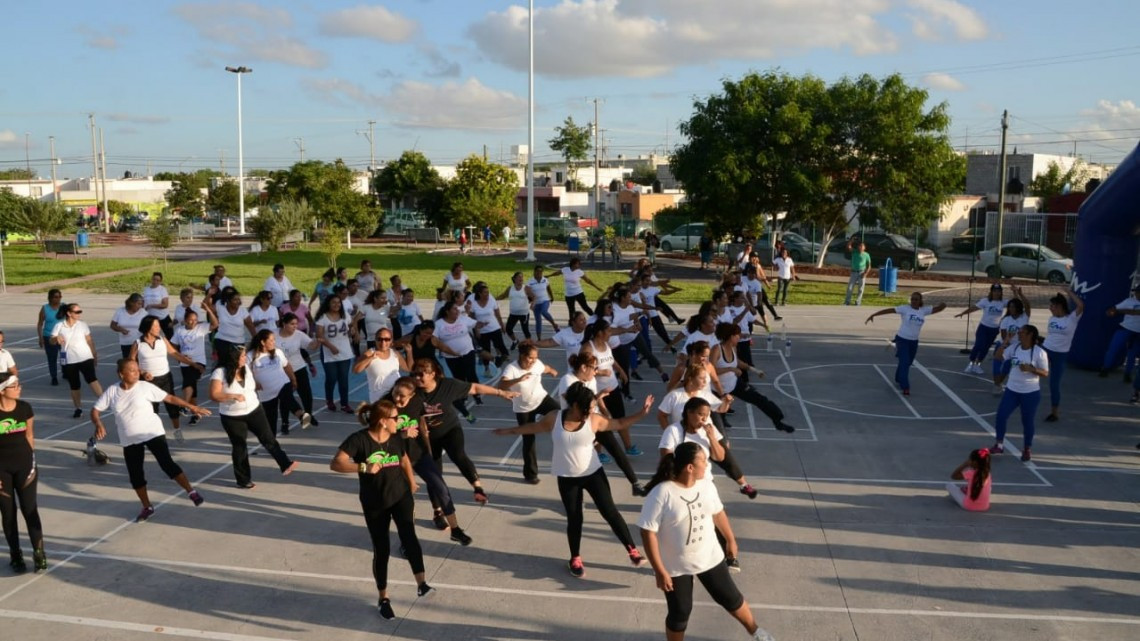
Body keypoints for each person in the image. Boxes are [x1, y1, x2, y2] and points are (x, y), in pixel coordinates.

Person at [493, 383, 653, 578]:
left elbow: (619, 424)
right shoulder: (554, 418)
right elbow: (532, 427)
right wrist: (508, 431)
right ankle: (575, 558)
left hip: (593, 474)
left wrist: (642, 413)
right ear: (575, 405)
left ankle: (632, 551)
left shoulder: (594, 420)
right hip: (568, 478)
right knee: (575, 518)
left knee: (610, 512)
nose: (589, 412)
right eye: (586, 408)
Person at [637, 442, 776, 641]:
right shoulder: (662, 493)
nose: (707, 463)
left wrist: (730, 539)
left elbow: (718, 512)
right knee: (680, 612)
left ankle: (756, 632)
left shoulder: (706, 485)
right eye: (703, 460)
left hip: (709, 556)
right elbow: (647, 532)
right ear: (690, 467)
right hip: (676, 566)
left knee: (731, 599)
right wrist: (660, 571)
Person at [330, 399, 435, 619]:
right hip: (374, 502)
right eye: (395, 418)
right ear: (382, 421)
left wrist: (411, 481)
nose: (399, 421)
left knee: (410, 537)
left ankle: (422, 583)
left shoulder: (396, 438)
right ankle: (383, 598)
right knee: (382, 549)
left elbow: (404, 459)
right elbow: (336, 463)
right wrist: (362, 466)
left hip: (401, 496)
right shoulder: (359, 440)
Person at [92, 360, 211, 522]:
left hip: (152, 433)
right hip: (129, 440)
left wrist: (192, 407)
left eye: (137, 369)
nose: (137, 372)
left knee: (167, 464)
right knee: (136, 476)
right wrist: (98, 423)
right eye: (132, 370)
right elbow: (95, 411)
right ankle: (147, 507)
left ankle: (191, 492)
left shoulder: (145, 387)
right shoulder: (112, 391)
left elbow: (169, 397)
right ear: (121, 374)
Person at [410, 358, 516, 504]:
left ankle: (478, 488)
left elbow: (475, 388)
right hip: (427, 437)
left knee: (459, 456)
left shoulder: (448, 385)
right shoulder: (411, 389)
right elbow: (394, 399)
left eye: (421, 375)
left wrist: (500, 393)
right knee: (434, 474)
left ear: (432, 374)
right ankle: (438, 511)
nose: (416, 378)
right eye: (414, 374)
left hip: (450, 430)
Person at [388, 377, 471, 540]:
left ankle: (455, 529)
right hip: (395, 457)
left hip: (418, 453)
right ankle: (406, 542)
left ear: (412, 396)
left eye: (402, 396)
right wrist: (401, 434)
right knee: (404, 501)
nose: (397, 398)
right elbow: (377, 435)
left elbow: (437, 412)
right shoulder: (385, 405)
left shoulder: (418, 402)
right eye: (395, 393)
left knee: (440, 487)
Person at [209, 346, 298, 488]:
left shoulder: (246, 369)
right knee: (240, 446)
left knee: (268, 438)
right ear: (233, 358)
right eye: (242, 356)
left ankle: (285, 463)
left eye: (245, 355)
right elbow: (214, 394)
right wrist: (232, 396)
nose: (245, 358)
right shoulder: (220, 373)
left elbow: (251, 384)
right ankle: (243, 480)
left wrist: (261, 385)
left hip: (254, 410)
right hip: (232, 416)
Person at [711, 323, 795, 433]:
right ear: (730, 336)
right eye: (737, 335)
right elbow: (710, 370)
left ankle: (778, 421)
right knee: (718, 421)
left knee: (759, 399)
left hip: (734, 384)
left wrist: (754, 370)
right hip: (718, 389)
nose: (739, 337)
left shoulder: (733, 348)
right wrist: (730, 369)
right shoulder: (717, 349)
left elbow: (737, 362)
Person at [0, 373, 46, 573]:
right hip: (2, 470)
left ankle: (39, 553)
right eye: (14, 386)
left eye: (19, 384)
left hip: (25, 466)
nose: (19, 388)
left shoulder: (25, 408)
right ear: (2, 391)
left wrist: (32, 460)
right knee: (8, 514)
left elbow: (29, 434)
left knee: (30, 509)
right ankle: (15, 554)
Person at [498, 342, 560, 484]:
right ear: (522, 356)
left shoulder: (537, 364)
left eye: (535, 357)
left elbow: (545, 368)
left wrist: (552, 371)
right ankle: (531, 474)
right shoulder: (511, 368)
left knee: (562, 415)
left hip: (541, 399)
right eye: (530, 358)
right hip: (523, 408)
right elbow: (501, 385)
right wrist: (518, 379)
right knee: (528, 440)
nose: (533, 361)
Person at [130, 316, 197, 443]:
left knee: (172, 406)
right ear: (148, 327)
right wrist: (142, 372)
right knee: (152, 410)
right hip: (149, 381)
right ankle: (152, 435)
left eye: (158, 325)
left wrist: (192, 363)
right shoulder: (138, 343)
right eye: (155, 326)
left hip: (165, 378)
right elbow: (131, 361)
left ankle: (177, 430)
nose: (158, 328)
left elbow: (174, 353)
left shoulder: (162, 339)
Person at [865, 292, 947, 396]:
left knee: (908, 363)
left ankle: (899, 377)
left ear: (920, 301)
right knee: (904, 361)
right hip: (902, 340)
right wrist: (874, 314)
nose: (913, 301)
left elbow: (940, 308)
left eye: (916, 299)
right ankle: (905, 387)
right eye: (912, 299)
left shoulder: (923, 310)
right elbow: (890, 310)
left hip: (914, 342)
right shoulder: (905, 308)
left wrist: (943, 304)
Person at [990, 325, 1049, 461]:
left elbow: (1045, 372)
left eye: (1022, 332)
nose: (1019, 334)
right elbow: (998, 357)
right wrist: (1005, 342)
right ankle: (999, 445)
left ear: (1030, 335)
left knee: (1027, 421)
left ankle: (1027, 448)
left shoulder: (1039, 352)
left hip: (1030, 392)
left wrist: (1031, 369)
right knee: (1001, 415)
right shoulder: (1015, 347)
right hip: (1012, 390)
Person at [248, 330, 313, 436]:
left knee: (287, 397)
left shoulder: (277, 352)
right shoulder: (251, 355)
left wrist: (293, 379)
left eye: (274, 340)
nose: (274, 342)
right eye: (271, 340)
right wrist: (254, 382)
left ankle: (301, 415)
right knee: (271, 416)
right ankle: (271, 440)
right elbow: (246, 372)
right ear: (263, 342)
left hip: (282, 382)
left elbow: (286, 365)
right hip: (266, 391)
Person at [50, 303, 104, 418]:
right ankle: (78, 408)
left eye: (80, 311)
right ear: (69, 313)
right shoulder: (59, 326)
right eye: (77, 312)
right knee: (74, 385)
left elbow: (89, 340)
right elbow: (51, 340)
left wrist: (94, 354)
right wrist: (56, 338)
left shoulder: (83, 325)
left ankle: (105, 401)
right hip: (69, 360)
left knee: (92, 379)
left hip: (85, 357)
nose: (80, 314)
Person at [1041, 287, 1084, 422]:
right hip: (1046, 350)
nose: (1050, 308)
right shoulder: (1051, 319)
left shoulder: (1071, 319)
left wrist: (1069, 292)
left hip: (1060, 354)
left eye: (1052, 306)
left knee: (1054, 384)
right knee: (1026, 366)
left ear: (1059, 306)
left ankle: (1054, 413)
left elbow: (1081, 305)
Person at [171, 307, 217, 426]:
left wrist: (209, 309)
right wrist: (180, 355)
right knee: (191, 387)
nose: (193, 322)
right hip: (185, 362)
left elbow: (215, 324)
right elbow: (173, 345)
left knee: (189, 383)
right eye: (191, 320)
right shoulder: (179, 331)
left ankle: (184, 406)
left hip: (199, 363)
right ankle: (195, 413)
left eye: (195, 320)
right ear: (185, 320)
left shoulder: (201, 328)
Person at [314, 295, 356, 414]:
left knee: (343, 379)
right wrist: (331, 346)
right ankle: (330, 400)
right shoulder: (322, 318)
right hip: (329, 352)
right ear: (328, 304)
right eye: (333, 302)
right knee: (331, 378)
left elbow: (352, 324)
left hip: (345, 352)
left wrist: (353, 331)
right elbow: (319, 336)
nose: (337, 305)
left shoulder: (345, 315)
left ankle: (344, 403)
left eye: (338, 302)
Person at [277, 313, 320, 429]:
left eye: (296, 324)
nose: (295, 326)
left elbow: (311, 346)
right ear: (284, 324)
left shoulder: (299, 335)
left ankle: (308, 416)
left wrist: (317, 341)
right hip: (281, 371)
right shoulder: (274, 335)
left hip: (298, 367)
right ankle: (285, 422)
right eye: (292, 324)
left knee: (306, 395)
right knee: (286, 398)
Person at [954, 283, 1006, 374]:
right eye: (995, 291)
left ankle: (977, 365)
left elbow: (1016, 303)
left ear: (1001, 292)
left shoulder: (1003, 302)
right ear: (991, 292)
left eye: (999, 291)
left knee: (986, 348)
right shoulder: (985, 301)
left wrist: (1016, 293)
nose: (997, 293)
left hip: (994, 329)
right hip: (984, 327)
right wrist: (963, 313)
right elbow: (974, 308)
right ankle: (971, 363)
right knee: (979, 345)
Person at [990, 287, 1031, 395]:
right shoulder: (1006, 319)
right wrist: (1007, 341)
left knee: (1007, 365)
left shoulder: (1024, 317)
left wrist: (1020, 294)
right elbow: (1004, 336)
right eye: (1010, 307)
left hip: (1017, 346)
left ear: (1018, 308)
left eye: (1013, 307)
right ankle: (996, 384)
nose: (1011, 308)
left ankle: (999, 383)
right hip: (1005, 343)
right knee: (997, 361)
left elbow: (1027, 305)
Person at [354, 328, 410, 403]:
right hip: (378, 398)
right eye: (380, 339)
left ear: (391, 340)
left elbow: (408, 368)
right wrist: (370, 358)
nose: (383, 342)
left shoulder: (395, 353)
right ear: (375, 340)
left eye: (387, 339)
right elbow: (356, 370)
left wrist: (409, 352)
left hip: (395, 396)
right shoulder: (370, 353)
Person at [1099, 284, 1140, 381]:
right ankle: (1105, 368)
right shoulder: (1129, 301)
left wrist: (1120, 311)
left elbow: (1136, 312)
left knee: (1132, 354)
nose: (1137, 294)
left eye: (1138, 292)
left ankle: (1127, 374)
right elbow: (1112, 310)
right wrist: (1111, 311)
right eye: (1136, 292)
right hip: (1125, 328)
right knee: (1113, 348)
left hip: (1138, 332)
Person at [469, 281, 510, 373]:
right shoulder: (472, 301)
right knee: (486, 350)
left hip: (494, 327)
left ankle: (501, 359)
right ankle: (487, 369)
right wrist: (476, 329)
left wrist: (501, 324)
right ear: (479, 293)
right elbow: (471, 316)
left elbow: (497, 311)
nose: (488, 294)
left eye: (488, 292)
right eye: (485, 292)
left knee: (501, 345)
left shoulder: (491, 298)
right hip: (482, 331)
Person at [214, 290, 256, 359]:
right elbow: (206, 306)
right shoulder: (221, 308)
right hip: (222, 340)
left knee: (237, 364)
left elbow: (250, 326)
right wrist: (209, 294)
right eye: (235, 300)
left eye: (238, 299)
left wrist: (256, 339)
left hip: (238, 342)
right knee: (223, 363)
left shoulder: (243, 311)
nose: (238, 302)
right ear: (228, 301)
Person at [35, 289, 64, 385]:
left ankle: (66, 371)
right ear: (50, 298)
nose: (58, 299)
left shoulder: (64, 307)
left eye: (59, 296)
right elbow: (40, 324)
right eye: (56, 297)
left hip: (63, 337)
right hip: (49, 337)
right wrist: (40, 338)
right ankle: (54, 376)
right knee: (52, 357)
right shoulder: (45, 309)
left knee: (65, 356)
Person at [500, 271, 534, 348]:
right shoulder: (510, 288)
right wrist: (493, 299)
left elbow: (534, 297)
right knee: (508, 329)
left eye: (522, 277)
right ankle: (515, 341)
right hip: (513, 313)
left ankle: (529, 346)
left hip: (524, 314)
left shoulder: (526, 288)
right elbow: (503, 295)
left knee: (525, 330)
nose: (521, 278)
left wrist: (532, 304)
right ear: (514, 279)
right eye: (519, 277)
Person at [527, 265, 560, 339]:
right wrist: (530, 300)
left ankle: (554, 324)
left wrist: (552, 297)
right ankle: (539, 338)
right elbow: (527, 292)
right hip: (536, 303)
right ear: (534, 272)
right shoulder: (530, 282)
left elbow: (549, 288)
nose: (539, 273)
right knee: (538, 320)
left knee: (544, 312)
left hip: (545, 300)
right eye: (537, 271)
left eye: (540, 272)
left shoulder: (545, 280)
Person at [111, 293, 148, 359]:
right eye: (138, 304)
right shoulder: (120, 311)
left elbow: (149, 327)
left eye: (141, 304)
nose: (140, 306)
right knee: (128, 363)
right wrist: (121, 330)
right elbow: (113, 325)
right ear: (131, 303)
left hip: (140, 343)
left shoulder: (144, 313)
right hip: (125, 343)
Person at [143, 272, 174, 339]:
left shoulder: (162, 290)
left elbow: (165, 305)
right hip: (151, 318)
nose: (155, 281)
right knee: (152, 337)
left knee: (170, 337)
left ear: (160, 281)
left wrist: (152, 306)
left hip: (163, 317)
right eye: (154, 279)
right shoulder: (146, 289)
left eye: (158, 280)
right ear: (151, 279)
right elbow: (143, 302)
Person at [844, 241, 872, 306]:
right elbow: (849, 247)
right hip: (854, 272)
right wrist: (851, 240)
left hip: (862, 272)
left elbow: (869, 266)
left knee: (860, 289)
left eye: (862, 246)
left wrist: (865, 274)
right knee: (850, 288)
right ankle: (847, 302)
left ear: (864, 248)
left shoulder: (866, 255)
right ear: (858, 247)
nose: (861, 247)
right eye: (860, 246)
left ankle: (858, 302)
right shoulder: (854, 252)